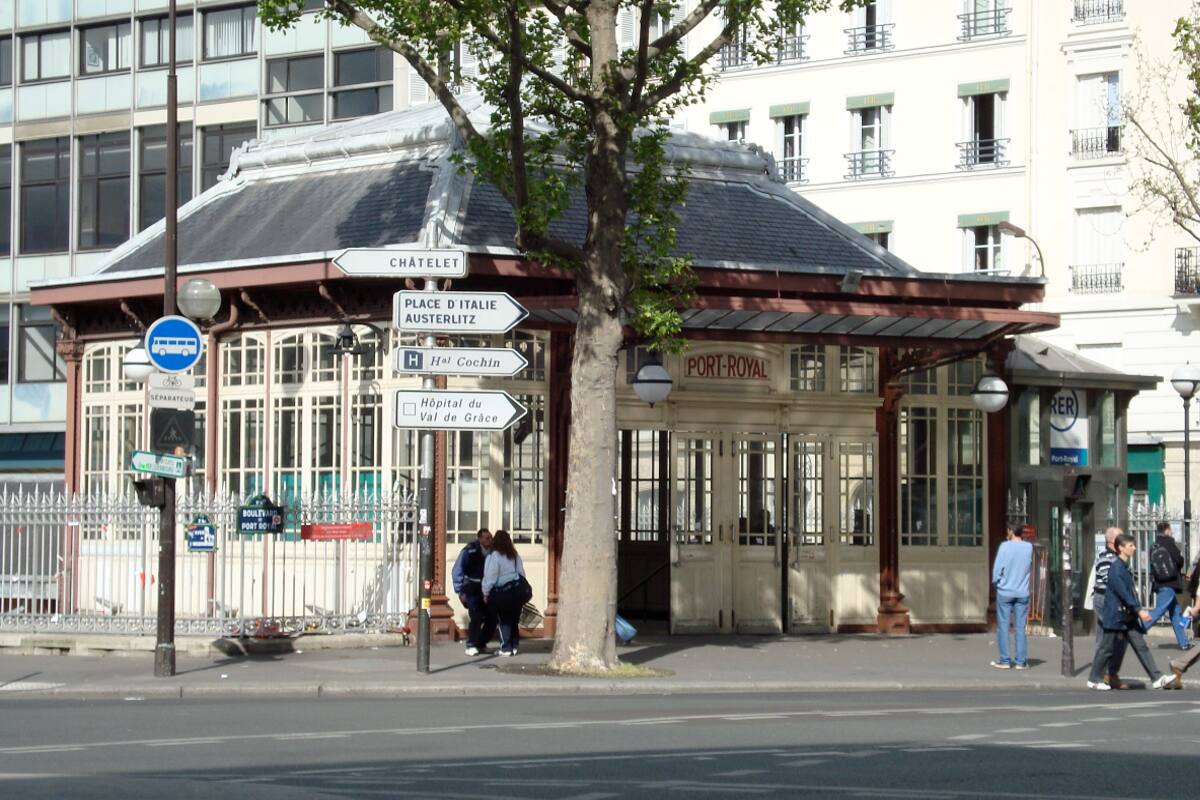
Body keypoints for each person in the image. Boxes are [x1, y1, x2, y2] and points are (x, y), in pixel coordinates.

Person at [1086, 532, 1175, 691]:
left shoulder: (1123, 566)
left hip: (1126, 616)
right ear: (1120, 548)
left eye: (1133, 545)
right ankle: (1094, 679)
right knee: (1106, 648)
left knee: (1141, 646)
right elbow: (1123, 593)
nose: (1134, 548)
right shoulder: (1116, 568)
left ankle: (1157, 677)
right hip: (1116, 615)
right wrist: (1139, 610)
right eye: (1130, 546)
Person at [1086, 527, 1129, 688]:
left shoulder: (1118, 559)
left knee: (1105, 636)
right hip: (1105, 599)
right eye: (1121, 538)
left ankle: (1103, 673)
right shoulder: (1106, 558)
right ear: (1112, 542)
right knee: (1115, 636)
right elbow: (1111, 580)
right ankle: (1105, 673)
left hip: (1111, 600)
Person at [1142, 521, 1190, 650]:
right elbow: (1179, 560)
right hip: (1170, 583)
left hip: (1160, 582)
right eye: (1170, 529)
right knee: (1159, 611)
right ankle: (1136, 631)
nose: (1172, 532)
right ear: (1167, 530)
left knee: (1175, 614)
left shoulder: (1154, 545)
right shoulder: (1168, 542)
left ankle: (1184, 642)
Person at [991, 526, 1033, 670]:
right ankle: (1021, 661)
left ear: (1010, 531)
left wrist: (997, 583)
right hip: (1022, 592)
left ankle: (1005, 660)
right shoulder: (1028, 547)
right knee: (1020, 627)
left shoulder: (1004, 546)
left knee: (1003, 626)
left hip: (1005, 591)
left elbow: (997, 570)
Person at [451, 527, 496, 656]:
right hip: (472, 588)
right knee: (476, 616)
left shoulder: (494, 552)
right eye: (487, 538)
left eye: (491, 538)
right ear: (480, 538)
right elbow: (457, 570)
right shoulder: (469, 550)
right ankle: (471, 644)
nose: (490, 540)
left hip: (488, 589)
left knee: (492, 618)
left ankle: (481, 643)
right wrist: (460, 591)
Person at [482, 529, 526, 657]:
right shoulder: (515, 555)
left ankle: (505, 647)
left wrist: (486, 593)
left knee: (504, 620)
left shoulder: (494, 556)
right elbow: (521, 573)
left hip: (502, 593)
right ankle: (514, 645)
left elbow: (490, 576)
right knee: (514, 619)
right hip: (516, 591)